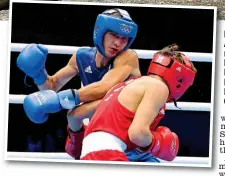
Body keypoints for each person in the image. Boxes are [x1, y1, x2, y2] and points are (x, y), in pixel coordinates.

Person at [17, 8, 162, 162]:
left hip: (129, 142)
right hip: (98, 138)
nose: (118, 43)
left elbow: (105, 87)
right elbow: (50, 88)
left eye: (124, 38)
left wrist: (62, 100)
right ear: (100, 31)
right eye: (114, 35)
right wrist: (39, 75)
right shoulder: (82, 57)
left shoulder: (127, 57)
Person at [77, 44, 197, 161]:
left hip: (91, 153)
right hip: (107, 153)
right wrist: (158, 143)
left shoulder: (129, 83)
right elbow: (137, 134)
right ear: (180, 80)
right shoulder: (159, 87)